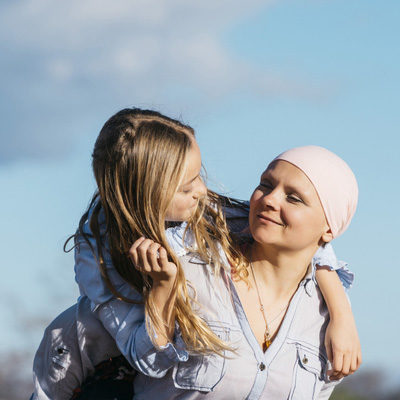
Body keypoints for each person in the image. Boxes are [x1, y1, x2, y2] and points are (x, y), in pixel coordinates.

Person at [31, 108, 360, 399]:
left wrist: (341, 313)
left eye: (198, 177)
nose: (203, 192)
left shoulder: (213, 218)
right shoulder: (110, 257)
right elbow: (135, 355)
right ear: (146, 193)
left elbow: (314, 244)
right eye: (186, 186)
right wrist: (162, 290)